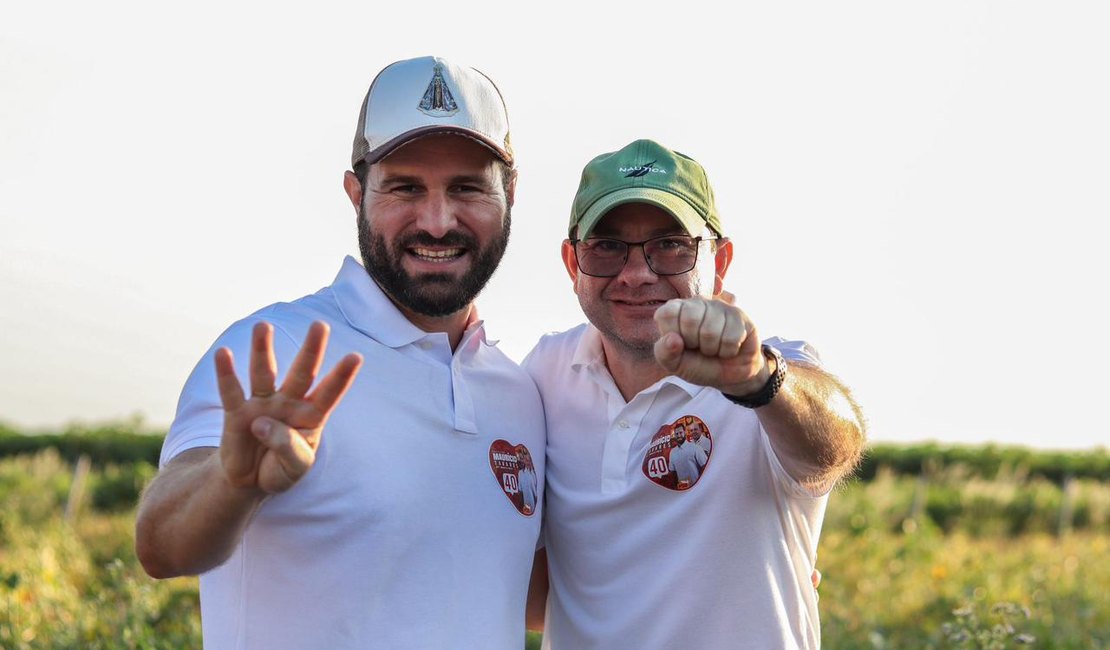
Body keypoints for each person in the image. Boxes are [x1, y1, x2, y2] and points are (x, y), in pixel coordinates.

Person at [135, 55, 545, 650]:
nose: (437, 221)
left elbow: (530, 596)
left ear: (509, 193)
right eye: (405, 187)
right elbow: (160, 544)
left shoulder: (520, 393)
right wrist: (234, 481)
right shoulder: (277, 347)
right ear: (356, 192)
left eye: (467, 187)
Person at [523, 139, 865, 649]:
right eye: (607, 246)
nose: (637, 274)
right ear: (572, 263)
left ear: (719, 260)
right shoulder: (544, 374)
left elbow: (836, 443)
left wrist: (760, 382)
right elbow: (538, 589)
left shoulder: (765, 370)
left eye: (671, 245)